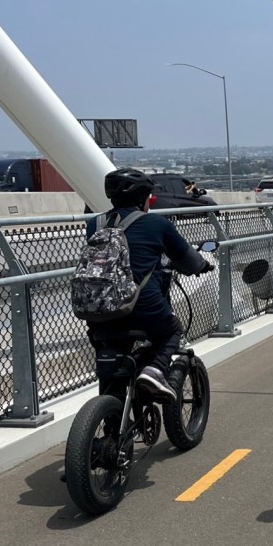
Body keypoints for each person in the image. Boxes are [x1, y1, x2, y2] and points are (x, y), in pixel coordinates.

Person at [87, 168, 213, 401]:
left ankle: (111, 422)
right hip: (142, 304)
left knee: (112, 357)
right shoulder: (157, 224)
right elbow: (186, 258)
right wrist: (203, 266)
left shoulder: (96, 224)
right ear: (142, 198)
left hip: (100, 307)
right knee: (171, 332)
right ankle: (154, 371)